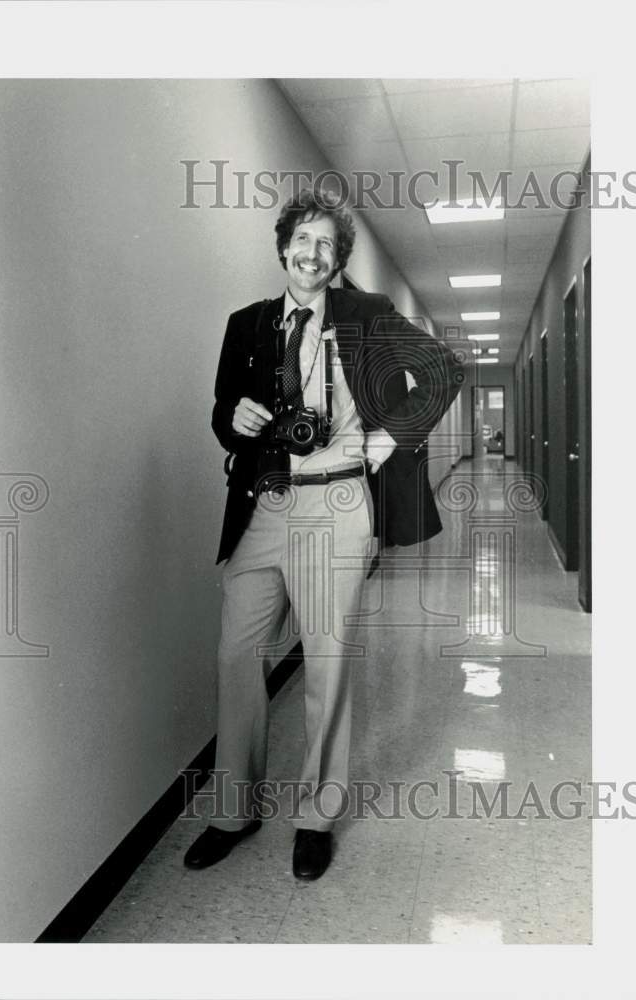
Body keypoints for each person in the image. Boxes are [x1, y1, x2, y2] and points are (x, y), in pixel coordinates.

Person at [184, 189, 463, 880]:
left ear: (337, 261)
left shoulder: (366, 317)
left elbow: (441, 370)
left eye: (326, 246)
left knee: (326, 664)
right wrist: (235, 417)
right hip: (264, 505)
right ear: (283, 247)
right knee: (234, 655)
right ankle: (232, 811)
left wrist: (388, 438)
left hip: (337, 504)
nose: (312, 254)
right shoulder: (246, 324)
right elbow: (223, 409)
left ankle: (315, 816)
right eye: (301, 241)